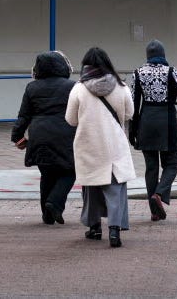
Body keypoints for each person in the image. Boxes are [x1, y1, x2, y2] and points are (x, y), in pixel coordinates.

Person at [65, 47, 135, 248]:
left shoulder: (78, 89)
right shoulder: (121, 87)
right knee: (115, 188)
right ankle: (115, 230)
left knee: (91, 187)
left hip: (89, 145)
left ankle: (94, 227)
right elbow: (129, 114)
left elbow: (70, 119)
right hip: (115, 145)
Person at [11, 51, 77, 225]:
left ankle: (47, 215)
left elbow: (23, 116)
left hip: (39, 136)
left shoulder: (32, 87)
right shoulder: (72, 86)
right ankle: (54, 203)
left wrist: (17, 137)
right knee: (70, 171)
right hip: (65, 136)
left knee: (47, 174)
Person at [129, 39, 177, 222]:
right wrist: (173, 100)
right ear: (163, 55)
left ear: (147, 56)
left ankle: (154, 211)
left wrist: (133, 130)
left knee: (151, 168)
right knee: (172, 163)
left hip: (146, 119)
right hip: (167, 120)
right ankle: (159, 195)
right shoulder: (171, 71)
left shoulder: (138, 73)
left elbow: (133, 102)